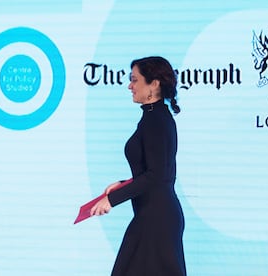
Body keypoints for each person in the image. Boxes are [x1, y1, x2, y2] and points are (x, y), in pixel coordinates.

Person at [90, 56, 186, 275]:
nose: (129, 86)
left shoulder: (155, 120)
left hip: (156, 219)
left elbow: (157, 175)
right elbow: (154, 172)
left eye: (135, 80)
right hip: (153, 215)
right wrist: (122, 185)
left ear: (154, 84)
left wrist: (112, 200)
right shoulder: (155, 117)